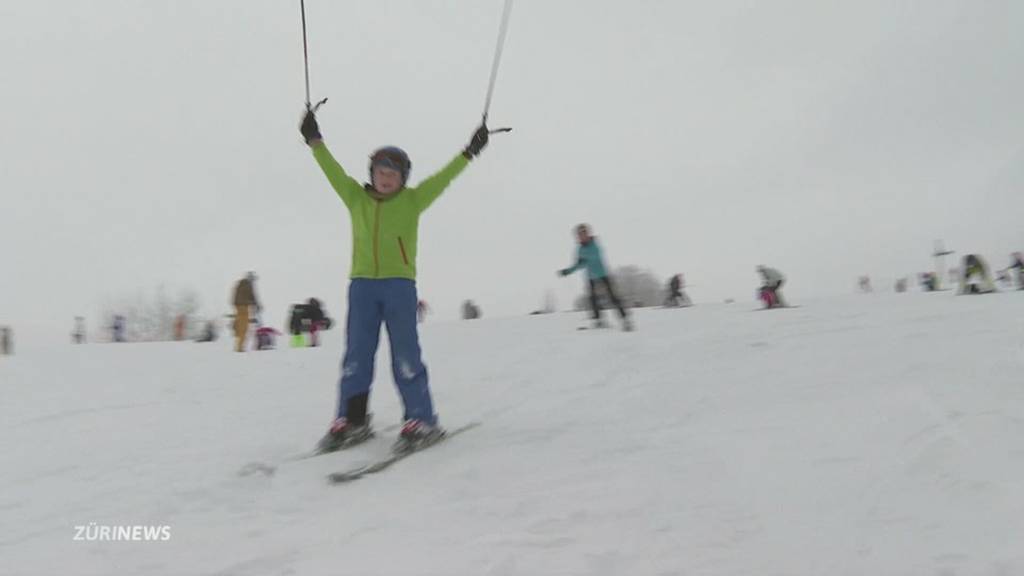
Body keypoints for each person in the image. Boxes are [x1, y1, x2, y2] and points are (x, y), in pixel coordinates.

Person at [300, 105, 491, 452]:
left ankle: (421, 418)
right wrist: (315, 141)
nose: (386, 177)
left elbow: (445, 177)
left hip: (399, 287)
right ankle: (353, 419)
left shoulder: (414, 201)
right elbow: (332, 171)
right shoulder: (355, 197)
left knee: (405, 353)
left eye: (394, 172)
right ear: (371, 173)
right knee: (357, 354)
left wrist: (470, 152)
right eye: (380, 170)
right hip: (361, 287)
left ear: (404, 178)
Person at [558, 224, 632, 330]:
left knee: (612, 297)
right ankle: (598, 321)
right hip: (591, 277)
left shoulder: (594, 244)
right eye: (579, 235)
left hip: (603, 275)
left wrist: (582, 261)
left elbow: (594, 256)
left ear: (588, 234)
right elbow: (578, 264)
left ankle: (625, 319)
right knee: (592, 299)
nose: (582, 236)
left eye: (584, 233)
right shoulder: (580, 249)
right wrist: (567, 271)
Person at [231, 272, 261, 352]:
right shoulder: (248, 285)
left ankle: (236, 327)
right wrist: (257, 305)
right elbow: (252, 296)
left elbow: (235, 296)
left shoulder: (240, 284)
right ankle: (240, 347)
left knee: (240, 323)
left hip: (237, 306)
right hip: (244, 306)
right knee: (244, 327)